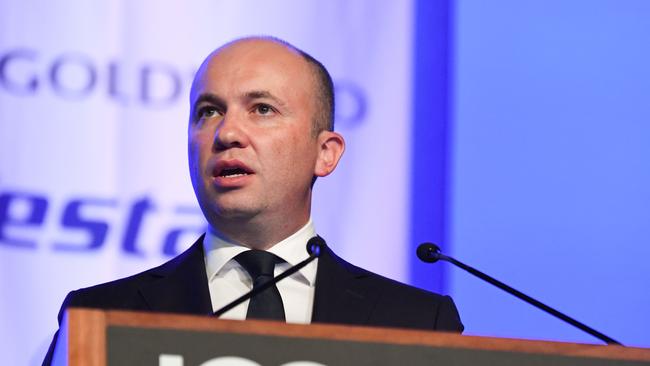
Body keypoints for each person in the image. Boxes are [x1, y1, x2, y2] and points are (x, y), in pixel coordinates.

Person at [43, 36, 463, 364]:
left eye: (262, 109)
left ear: (326, 153)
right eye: (208, 111)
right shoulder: (101, 315)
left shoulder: (415, 322)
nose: (226, 133)